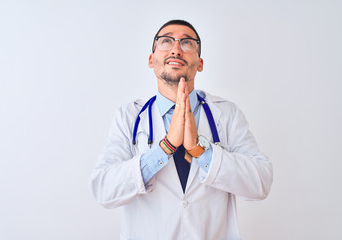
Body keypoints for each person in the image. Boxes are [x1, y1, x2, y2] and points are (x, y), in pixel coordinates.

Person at [90, 19, 273, 240]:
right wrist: (165, 148)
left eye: (187, 43)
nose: (176, 49)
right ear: (151, 59)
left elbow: (260, 183)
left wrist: (200, 150)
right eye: (166, 41)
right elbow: (104, 190)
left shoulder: (227, 114)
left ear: (200, 62)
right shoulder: (129, 117)